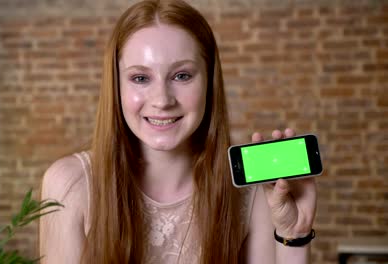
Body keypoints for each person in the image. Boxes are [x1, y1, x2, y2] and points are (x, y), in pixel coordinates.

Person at [39, 0, 317, 263]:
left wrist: (294, 236)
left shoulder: (250, 193)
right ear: (117, 86)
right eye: (140, 78)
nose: (162, 99)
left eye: (182, 76)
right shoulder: (71, 184)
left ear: (209, 82)